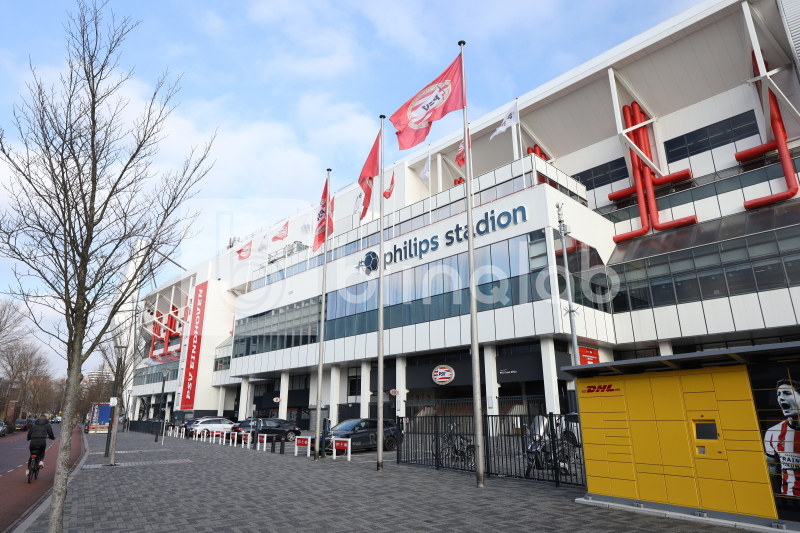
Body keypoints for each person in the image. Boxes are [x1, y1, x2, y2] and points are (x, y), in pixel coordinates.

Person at [765, 379, 800, 495]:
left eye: (787, 393)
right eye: (778, 394)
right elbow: (772, 467)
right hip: (789, 497)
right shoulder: (773, 432)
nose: (781, 398)